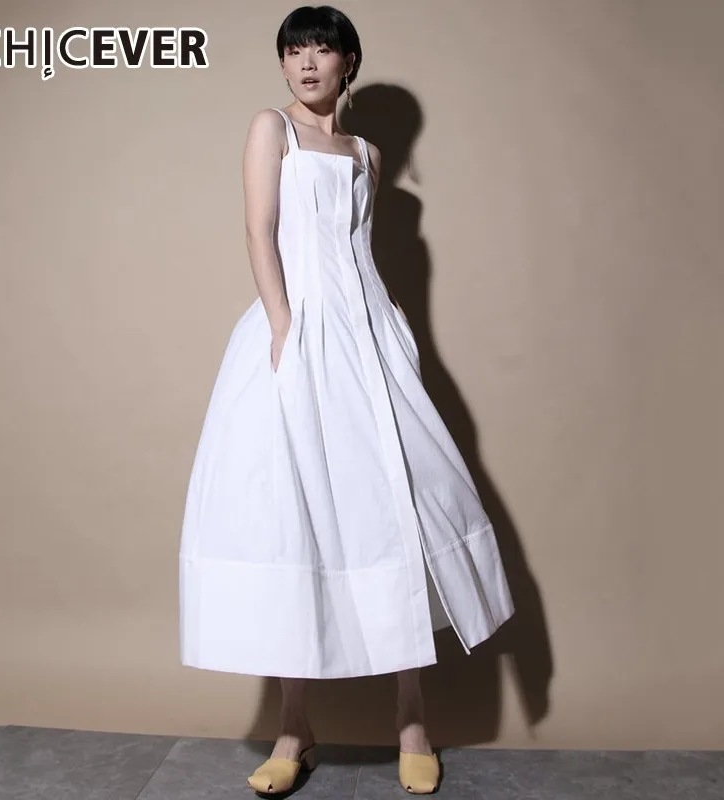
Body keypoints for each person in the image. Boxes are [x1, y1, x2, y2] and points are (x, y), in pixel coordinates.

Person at [179, 5, 515, 794]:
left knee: (395, 509)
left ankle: (412, 720)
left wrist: (394, 334)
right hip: (297, 336)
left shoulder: (367, 152)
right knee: (297, 521)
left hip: (370, 341)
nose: (305, 62)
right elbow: (260, 231)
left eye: (320, 49)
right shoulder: (272, 129)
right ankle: (293, 730)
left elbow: (359, 253)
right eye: (293, 49)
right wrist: (285, 328)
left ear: (347, 63)